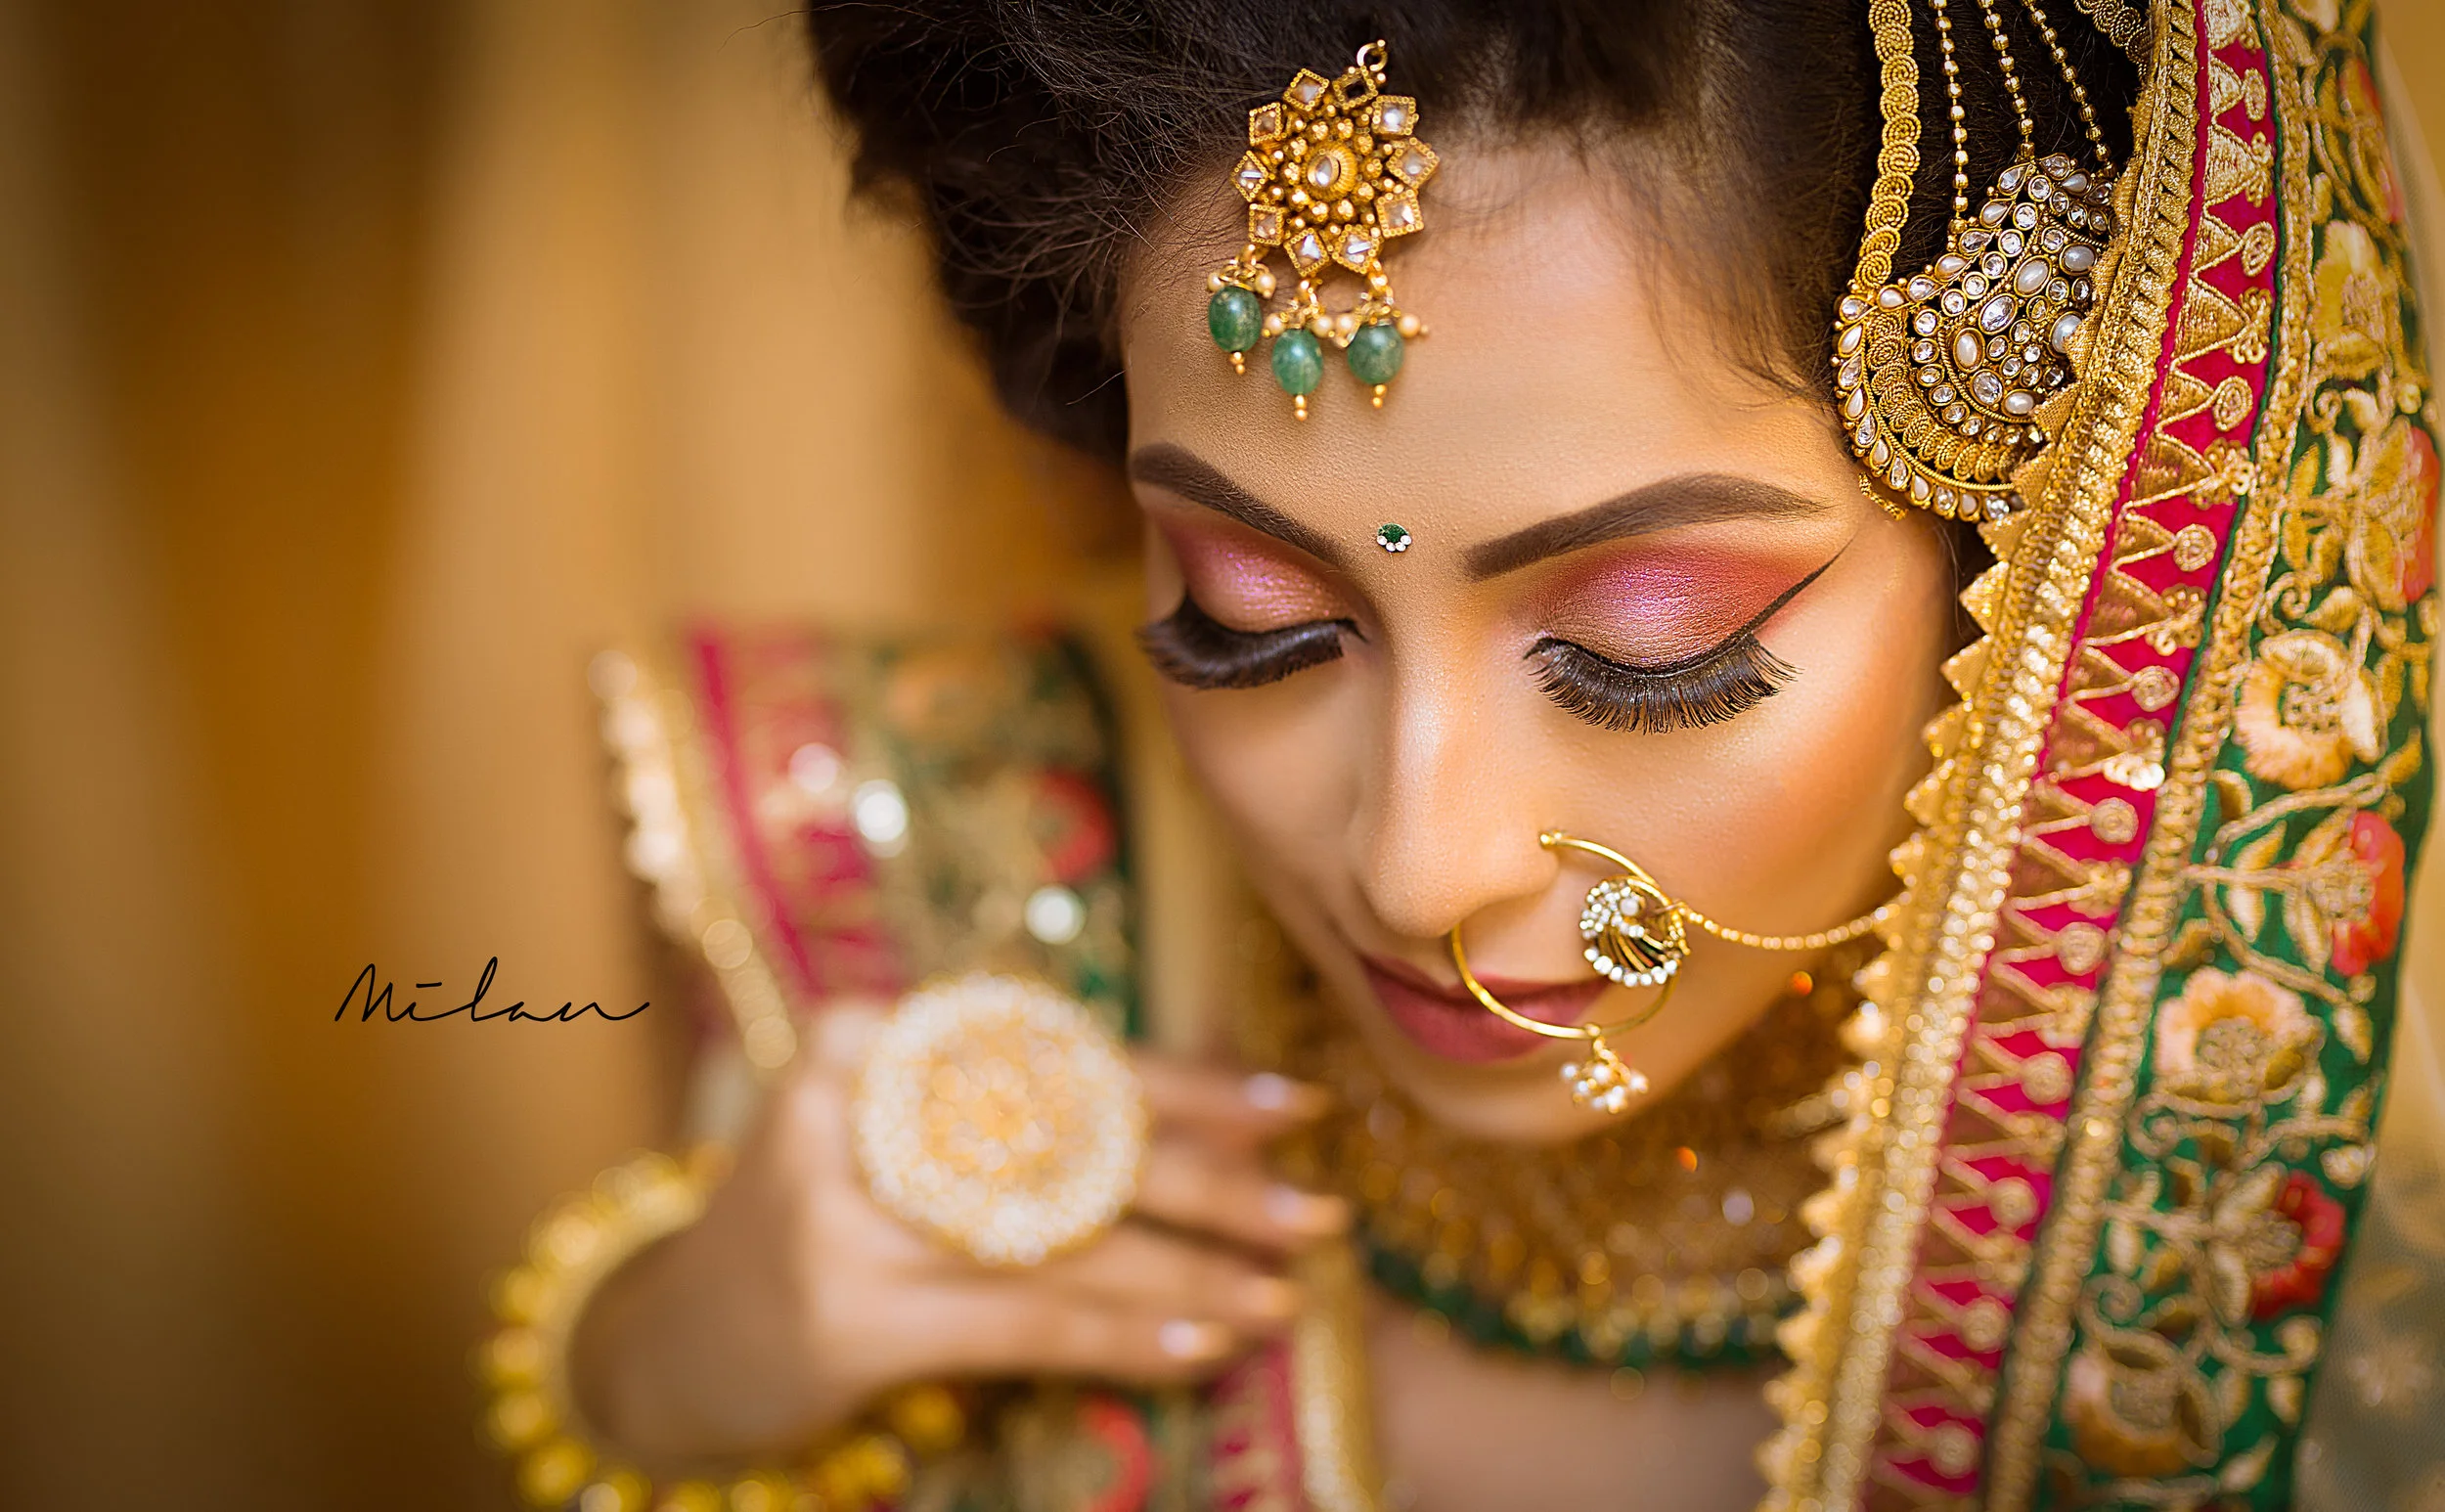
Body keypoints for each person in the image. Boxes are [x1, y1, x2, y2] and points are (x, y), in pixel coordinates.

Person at [476, 2, 2445, 1508]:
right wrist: (668, 1367)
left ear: (2056, 548)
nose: (1417, 867)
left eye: (1633, 650)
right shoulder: (902, 907)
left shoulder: (2344, 1313)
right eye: (1241, 612)